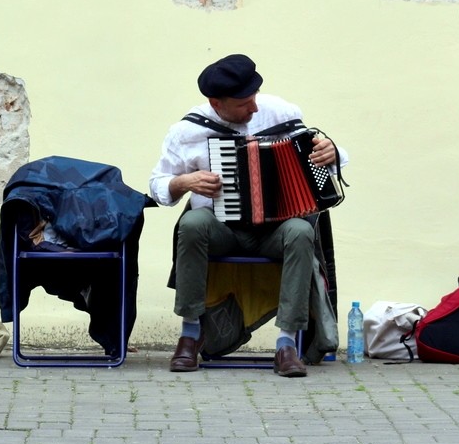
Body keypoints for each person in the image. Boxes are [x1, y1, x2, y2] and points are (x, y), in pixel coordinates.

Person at [149, 54, 347, 377]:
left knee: (300, 230)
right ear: (216, 103)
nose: (253, 109)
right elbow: (157, 185)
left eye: (253, 98)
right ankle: (190, 334)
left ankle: (286, 344)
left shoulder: (278, 111)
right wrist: (184, 182)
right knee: (191, 223)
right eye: (243, 104)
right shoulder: (186, 132)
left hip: (273, 232)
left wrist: (333, 153)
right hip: (222, 231)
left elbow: (322, 153)